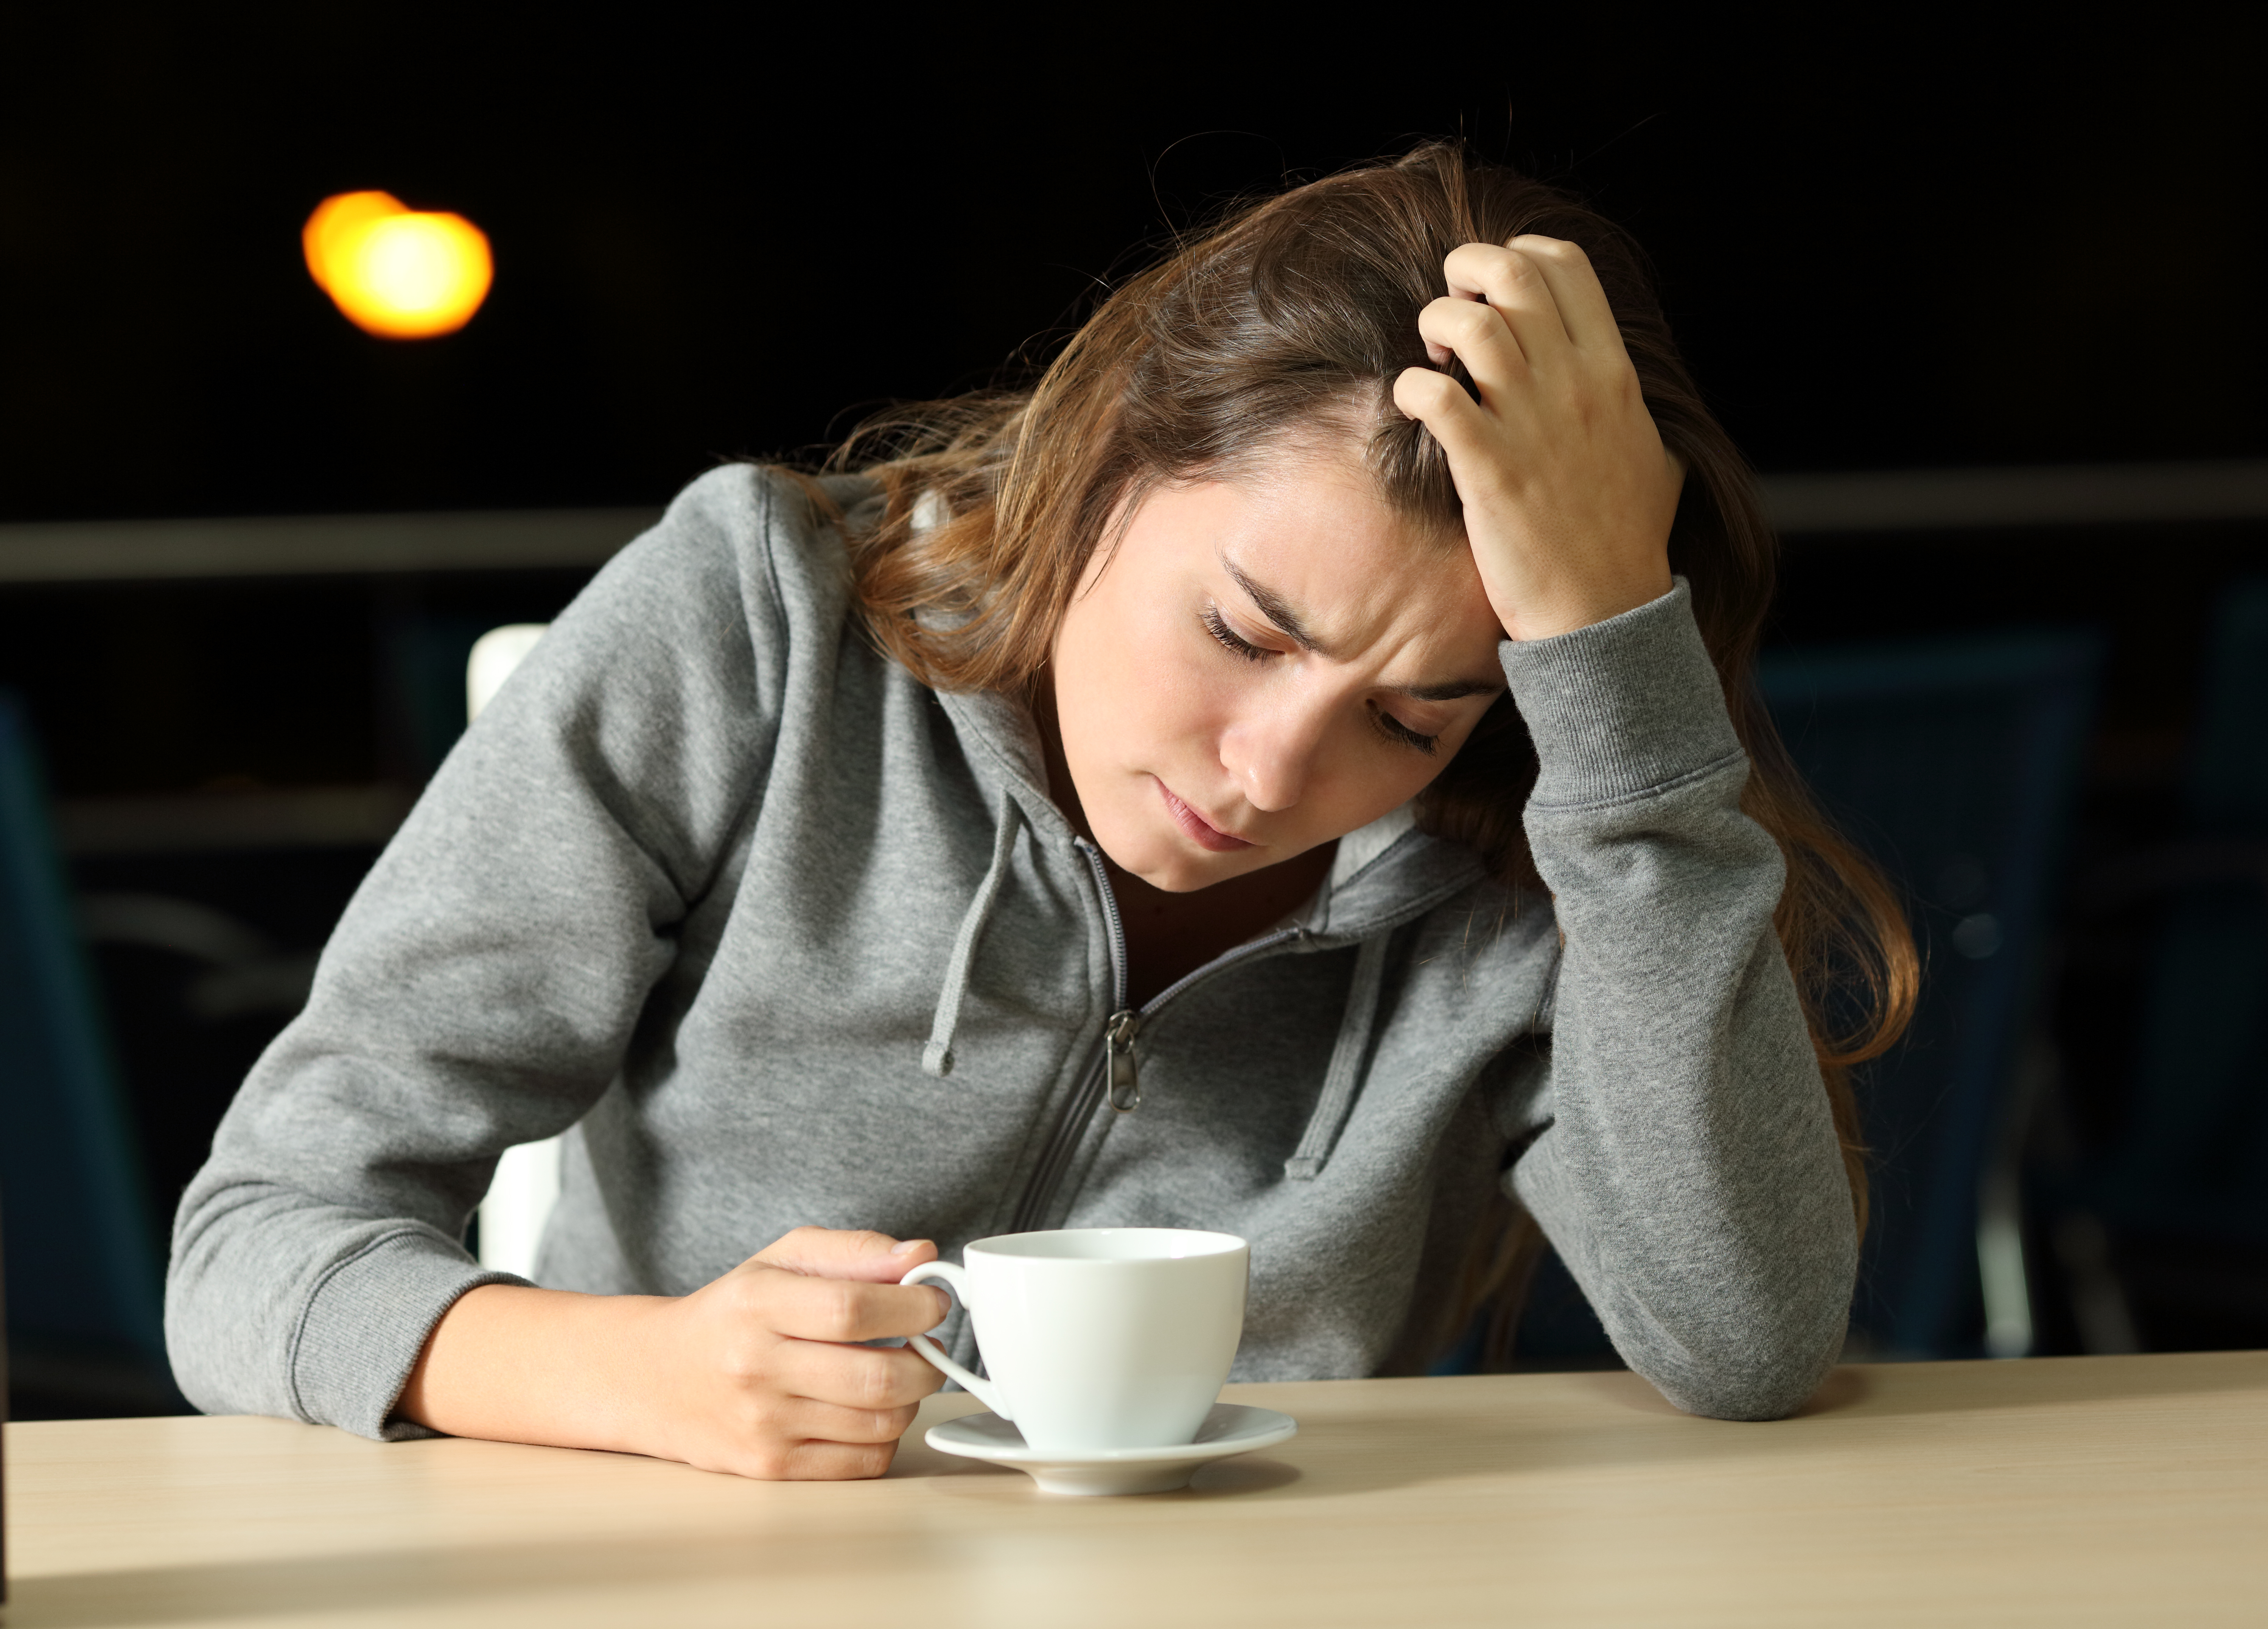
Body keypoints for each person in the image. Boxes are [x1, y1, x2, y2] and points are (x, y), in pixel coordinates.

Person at [167, 143, 1914, 1480]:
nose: (1267, 776)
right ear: (1101, 465)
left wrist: (1617, 686)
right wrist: (636, 1375)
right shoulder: (760, 622)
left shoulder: (1549, 826)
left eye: (1410, 714)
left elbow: (1748, 1342)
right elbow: (255, 1246)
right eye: (1242, 629)